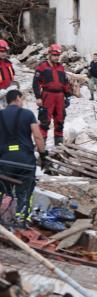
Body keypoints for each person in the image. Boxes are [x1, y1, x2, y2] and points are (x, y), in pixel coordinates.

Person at [0, 89, 46, 225]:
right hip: (25, 161)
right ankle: (22, 220)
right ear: (18, 98)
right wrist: (43, 155)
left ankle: (3, 218)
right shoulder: (28, 114)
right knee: (24, 193)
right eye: (22, 99)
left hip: (4, 161)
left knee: (4, 191)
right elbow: (37, 136)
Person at [33, 44, 71, 146]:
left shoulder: (61, 68)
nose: (56, 57)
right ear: (49, 54)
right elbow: (35, 83)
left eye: (58, 55)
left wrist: (68, 97)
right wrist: (38, 97)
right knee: (45, 122)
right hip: (47, 96)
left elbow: (65, 83)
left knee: (60, 122)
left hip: (60, 97)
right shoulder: (42, 67)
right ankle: (41, 149)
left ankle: (59, 148)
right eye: (54, 55)